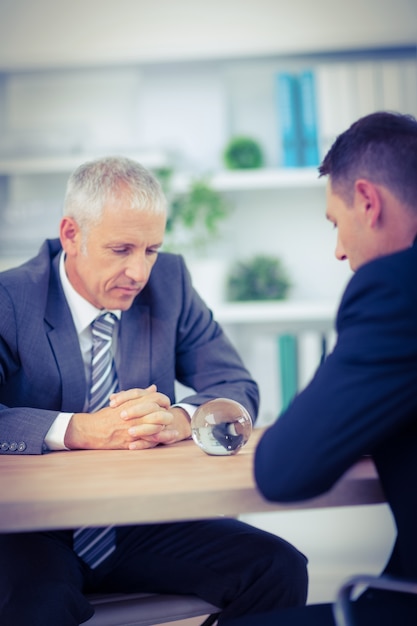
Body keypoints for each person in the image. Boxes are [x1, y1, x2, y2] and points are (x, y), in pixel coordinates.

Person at [0, 156, 308, 626]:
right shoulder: (11, 299)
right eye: (121, 249)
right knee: (36, 605)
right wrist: (78, 430)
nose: (139, 272)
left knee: (278, 568)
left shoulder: (171, 283)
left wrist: (183, 419)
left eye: (151, 250)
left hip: (140, 521)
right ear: (70, 235)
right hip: (33, 531)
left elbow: (235, 385)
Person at [241, 111, 417, 625]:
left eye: (337, 224)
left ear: (368, 201)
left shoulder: (395, 290)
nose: (339, 250)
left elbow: (282, 471)